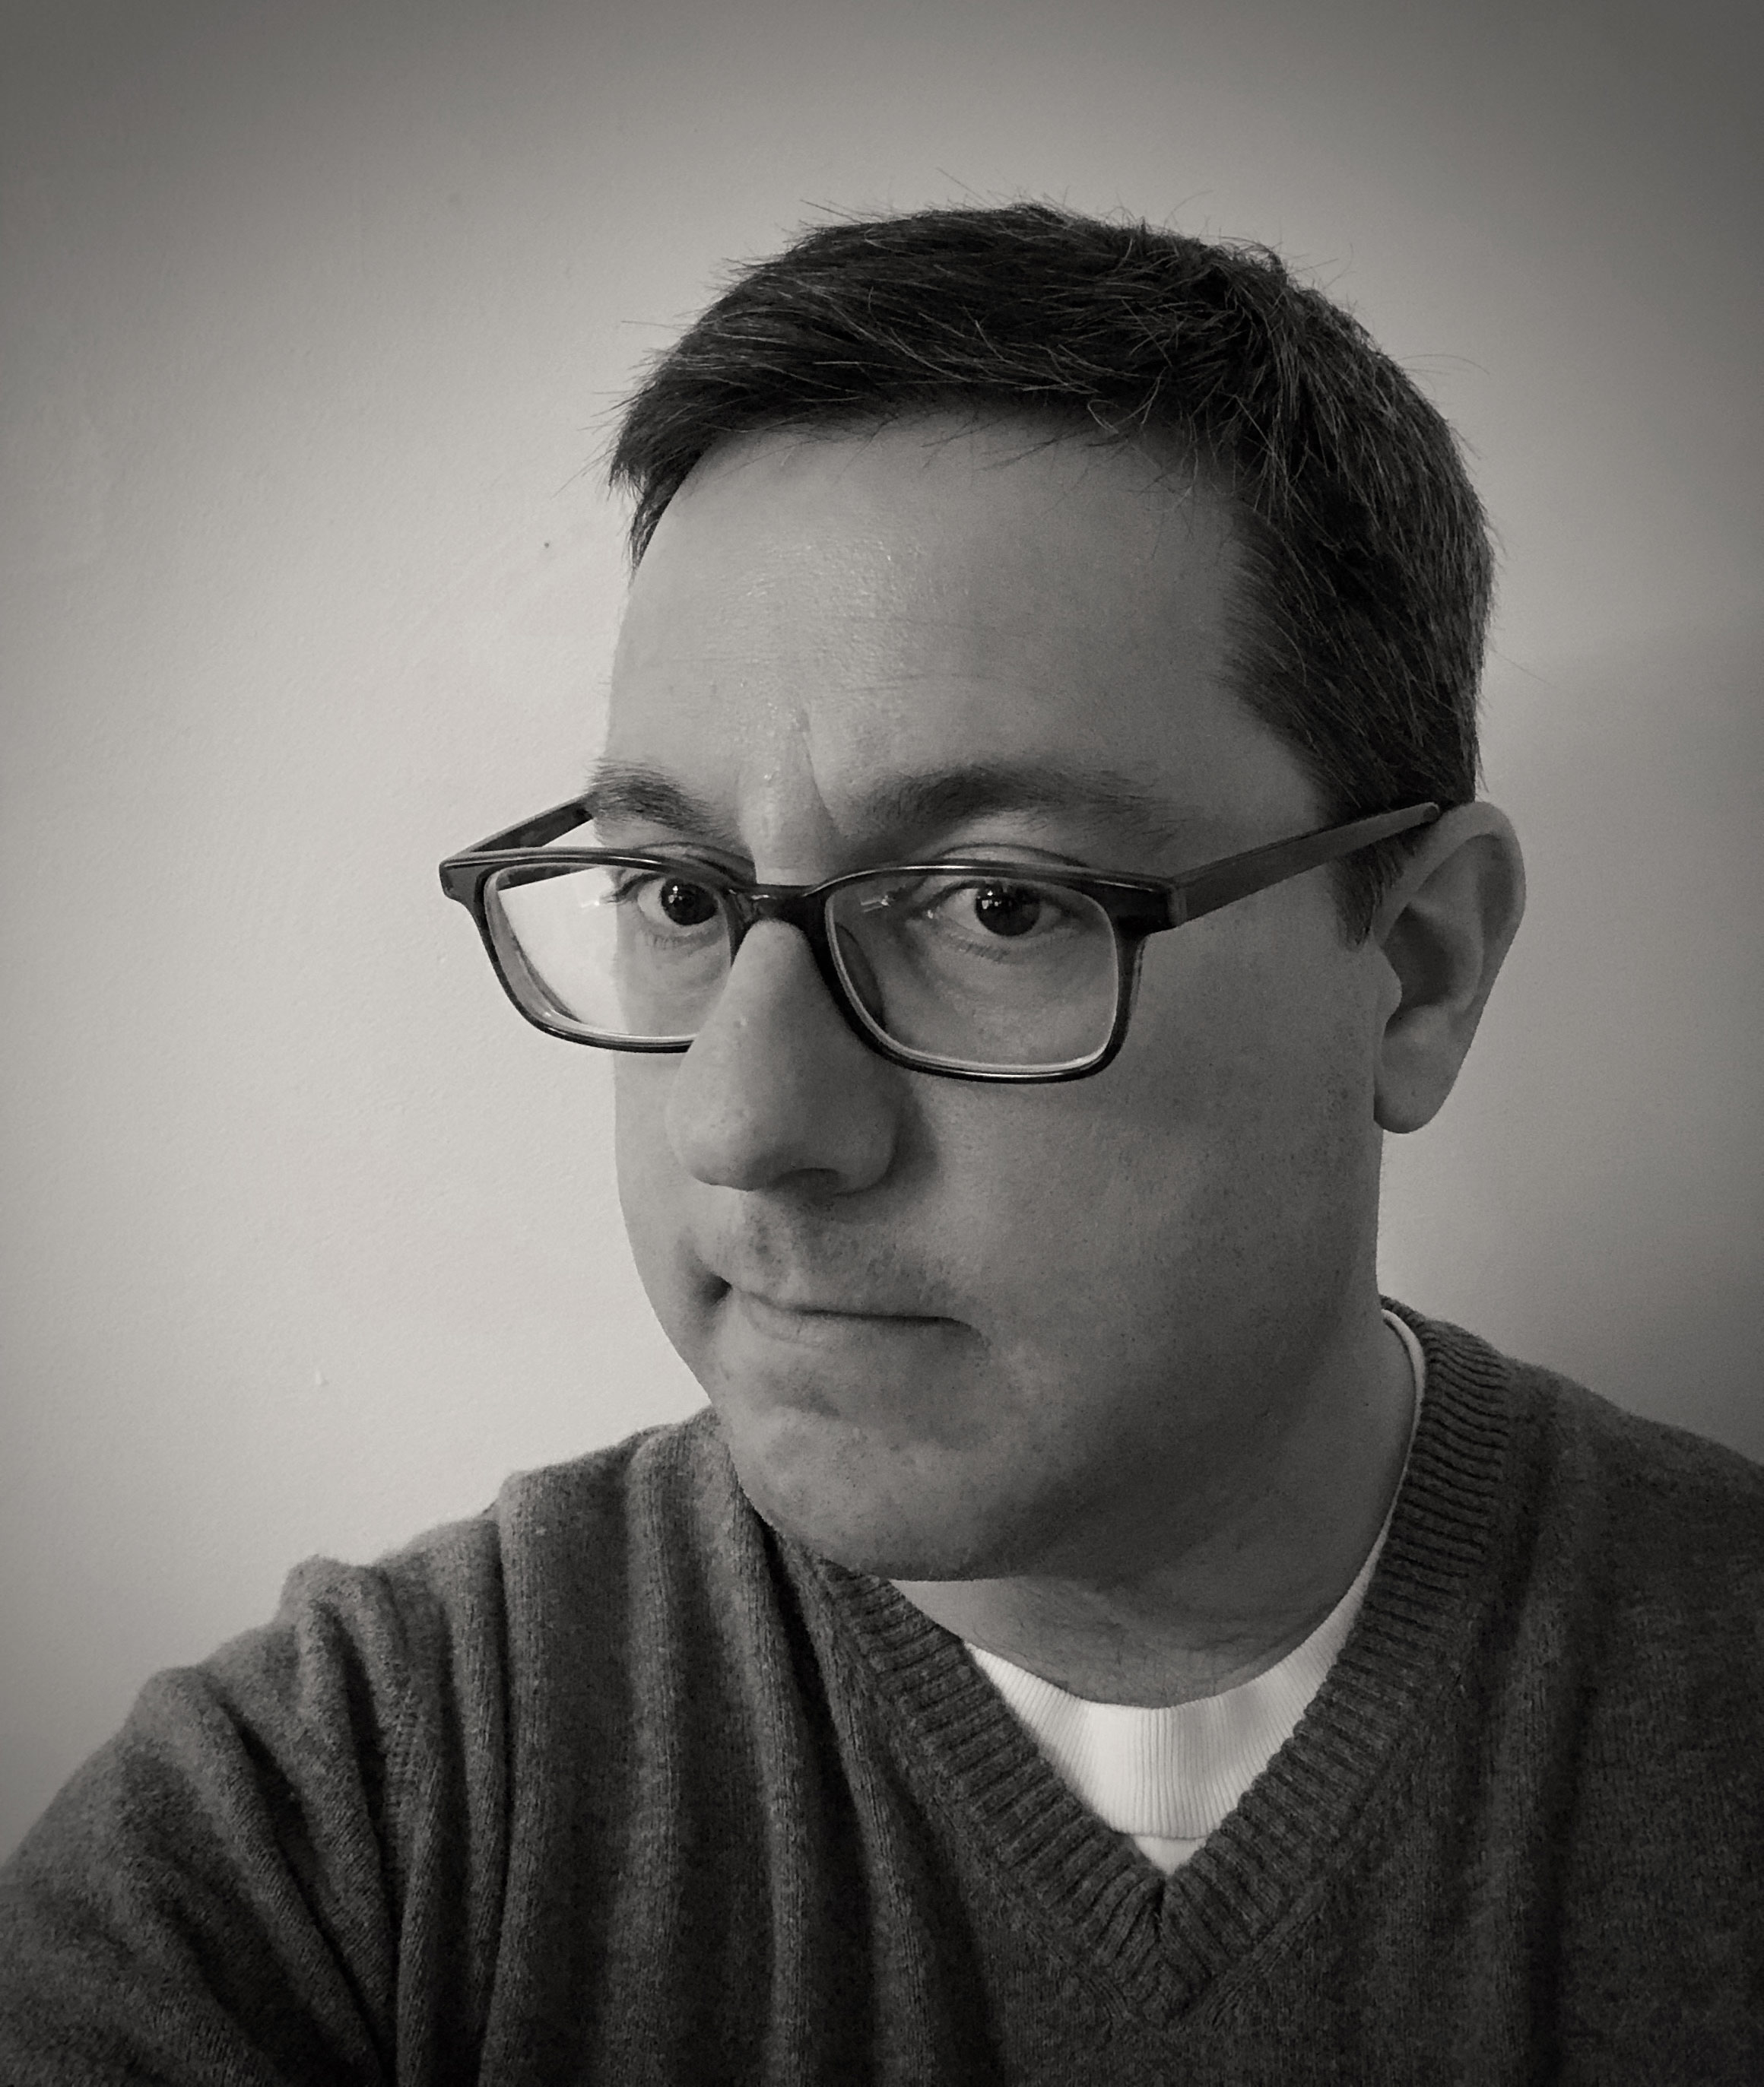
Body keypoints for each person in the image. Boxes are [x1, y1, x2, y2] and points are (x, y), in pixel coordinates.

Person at [2, 201, 1759, 2084]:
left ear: (1411, 970)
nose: (742, 1120)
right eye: (680, 892)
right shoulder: (347, 1812)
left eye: (996, 904)